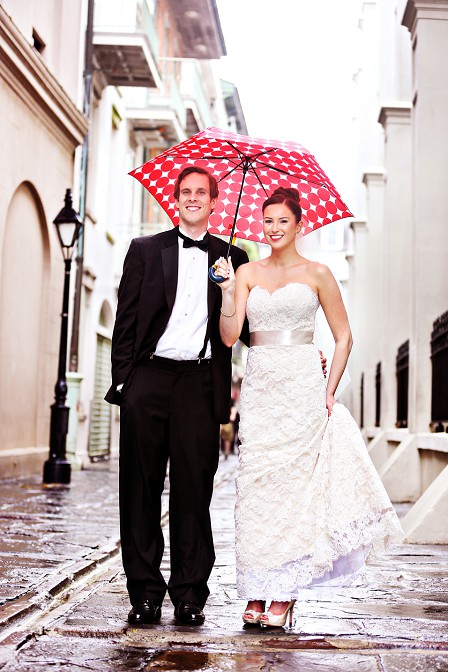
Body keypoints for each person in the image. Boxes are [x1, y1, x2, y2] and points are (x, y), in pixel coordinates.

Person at [212, 186, 403, 628]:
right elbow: (228, 337)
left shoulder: (318, 273)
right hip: (261, 388)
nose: (274, 228)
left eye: (283, 221)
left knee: (296, 491)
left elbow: (343, 337)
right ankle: (256, 587)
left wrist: (329, 390)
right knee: (258, 488)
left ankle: (283, 591)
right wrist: (225, 291)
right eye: (268, 220)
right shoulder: (245, 273)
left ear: (299, 225)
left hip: (302, 387)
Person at [106, 166, 250, 626]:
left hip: (199, 383)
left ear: (214, 203)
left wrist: (231, 288)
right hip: (147, 380)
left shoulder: (234, 256)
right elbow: (124, 322)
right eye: (185, 192)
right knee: (140, 490)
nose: (192, 198)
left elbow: (243, 330)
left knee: (194, 492)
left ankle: (190, 594)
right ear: (176, 200)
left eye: (200, 193)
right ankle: (145, 593)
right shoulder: (145, 250)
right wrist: (127, 384)